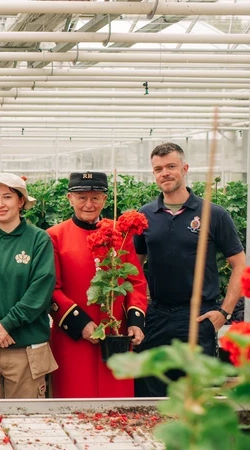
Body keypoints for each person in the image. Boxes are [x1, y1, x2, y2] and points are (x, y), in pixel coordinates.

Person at [134, 143, 246, 397]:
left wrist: (223, 313)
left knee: (194, 398)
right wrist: (138, 312)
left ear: (185, 168)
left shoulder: (213, 215)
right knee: (148, 393)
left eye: (171, 166)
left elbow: (240, 266)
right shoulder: (145, 215)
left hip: (198, 318)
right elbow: (133, 267)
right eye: (158, 169)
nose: (165, 173)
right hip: (156, 317)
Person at [47, 172, 147, 398]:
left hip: (117, 334)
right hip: (73, 337)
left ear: (105, 200)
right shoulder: (55, 236)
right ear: (69, 198)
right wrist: (80, 323)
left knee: (117, 409)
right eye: (81, 197)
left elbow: (136, 281)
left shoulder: (120, 232)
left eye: (95, 197)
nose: (89, 204)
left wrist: (136, 322)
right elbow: (52, 289)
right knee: (74, 406)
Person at [0, 173, 58, 400]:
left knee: (25, 423)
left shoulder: (39, 240)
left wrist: (8, 324)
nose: (0, 204)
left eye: (7, 197)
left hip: (25, 348)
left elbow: (41, 289)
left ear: (21, 201)